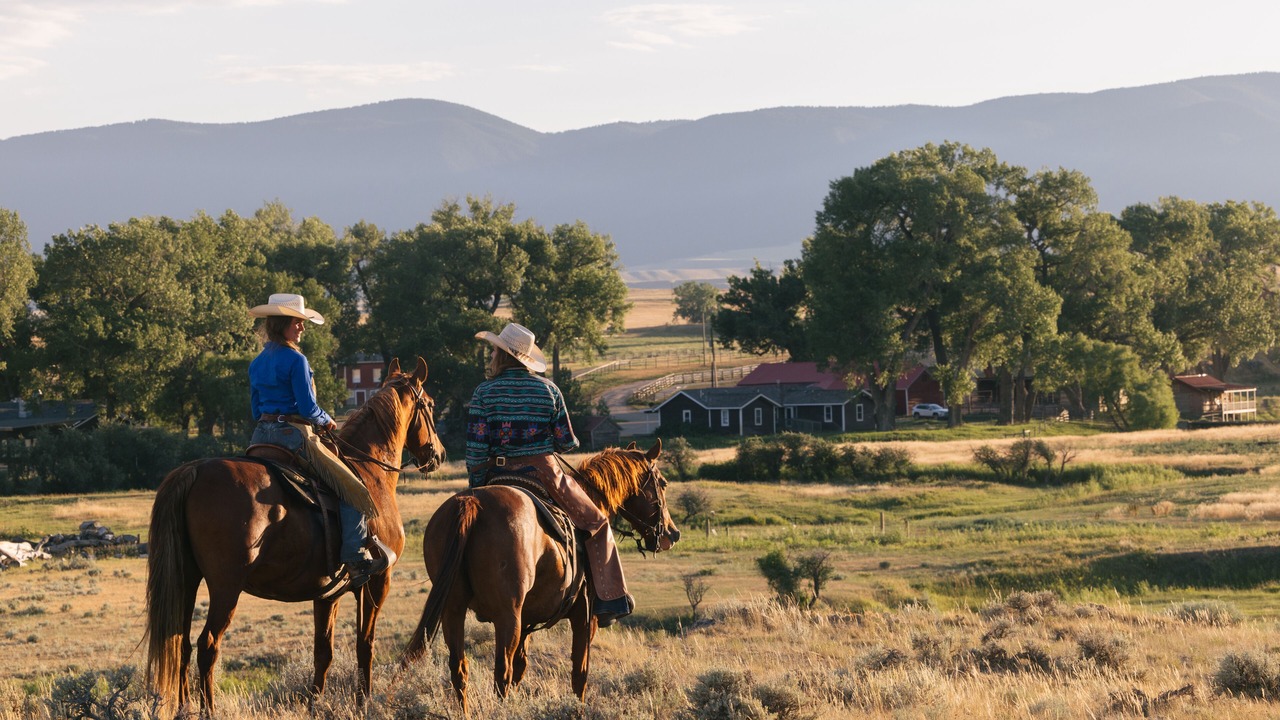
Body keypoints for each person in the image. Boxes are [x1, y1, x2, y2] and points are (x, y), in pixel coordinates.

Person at [465, 322, 634, 626]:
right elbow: (566, 442)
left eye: (494, 350)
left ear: (502, 355)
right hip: (543, 474)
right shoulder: (549, 389)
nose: (491, 354)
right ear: (526, 358)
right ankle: (609, 599)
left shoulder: (483, 392)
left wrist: (477, 487)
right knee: (595, 521)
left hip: (496, 474)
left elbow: (476, 449)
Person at [247, 293, 388, 585]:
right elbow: (308, 408)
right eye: (298, 322)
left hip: (260, 436)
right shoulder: (296, 359)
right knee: (355, 489)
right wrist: (327, 419)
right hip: (293, 436)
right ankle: (354, 556)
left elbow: (254, 409)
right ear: (283, 324)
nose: (302, 328)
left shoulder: (257, 363)